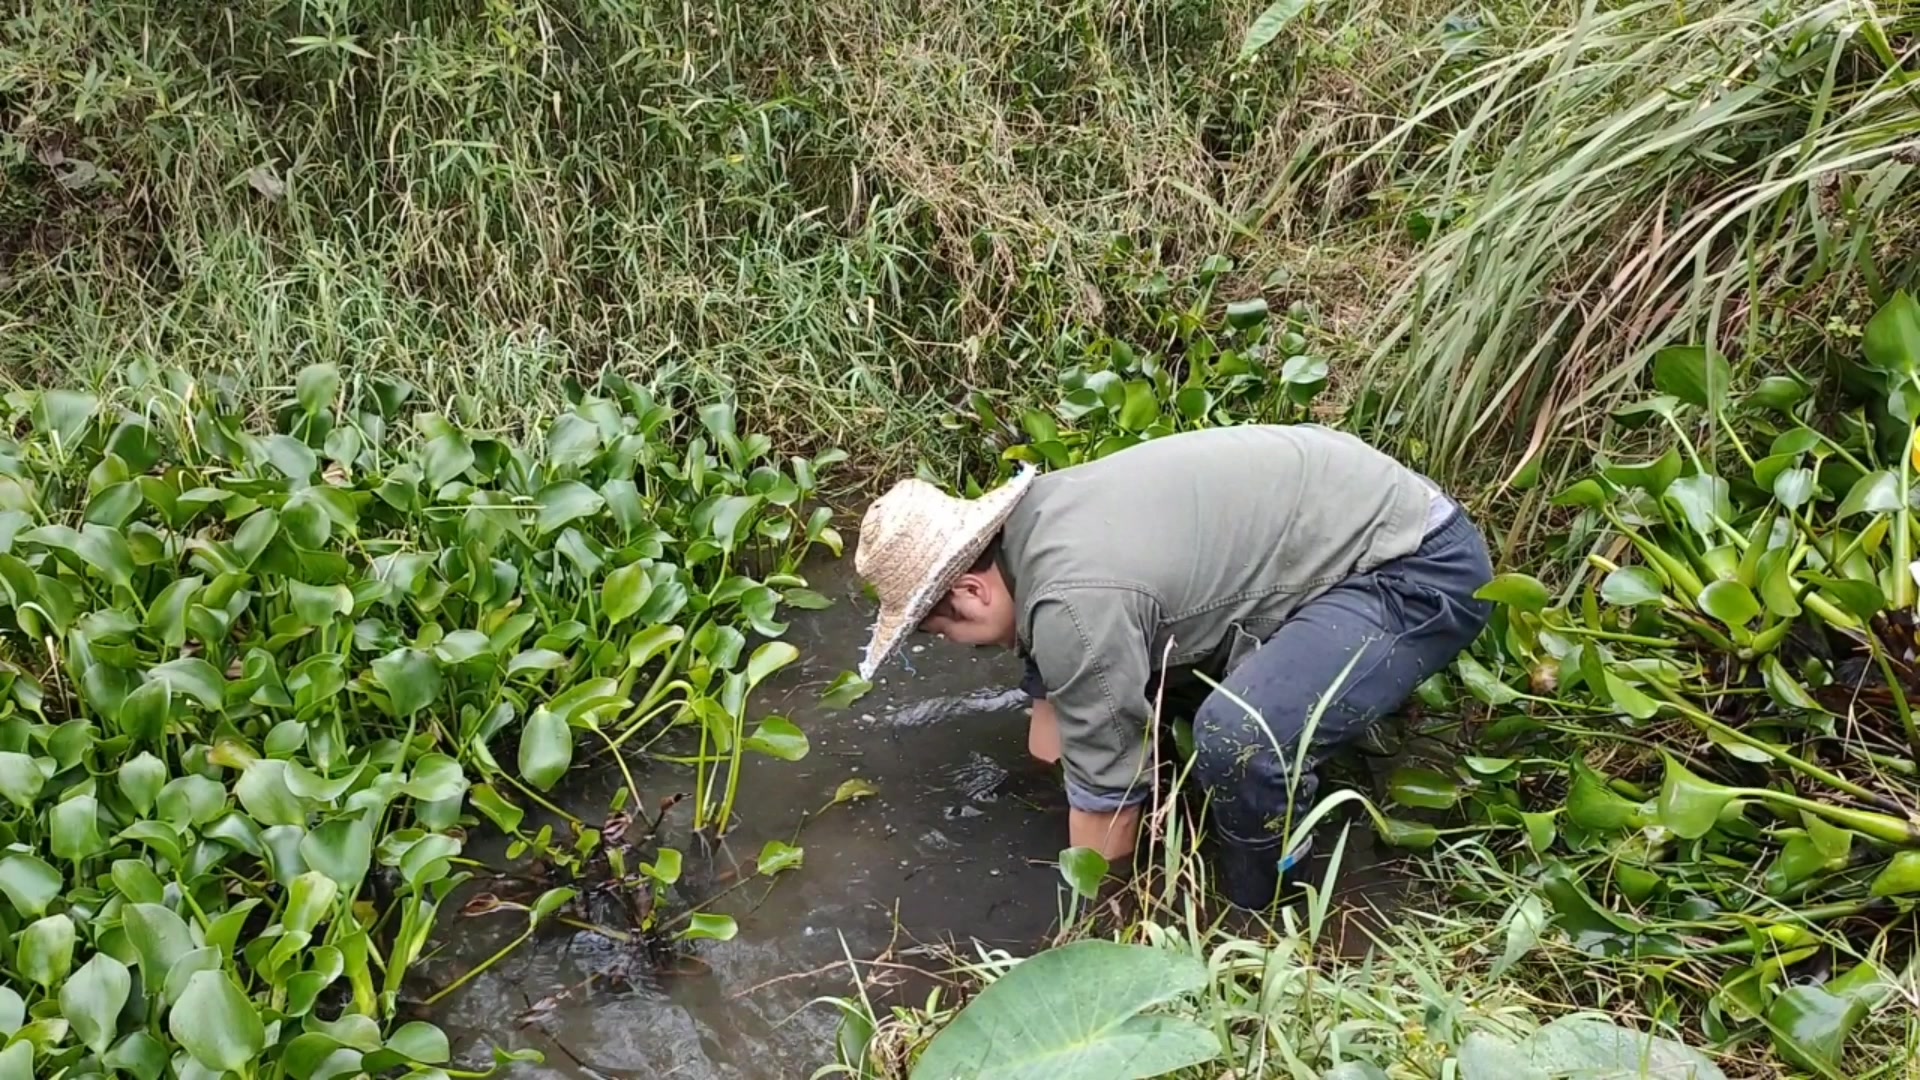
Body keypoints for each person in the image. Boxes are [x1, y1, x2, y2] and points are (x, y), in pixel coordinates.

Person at [851, 423, 1493, 909]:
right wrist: (1050, 783)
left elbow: (1109, 808)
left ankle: (1265, 903)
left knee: (1236, 737)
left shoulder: (1071, 604)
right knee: (1150, 691)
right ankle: (1347, 716)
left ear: (969, 591)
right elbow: (1054, 739)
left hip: (1414, 568)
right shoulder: (1036, 526)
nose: (954, 649)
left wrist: (1096, 917)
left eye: (938, 632)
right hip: (1345, 520)